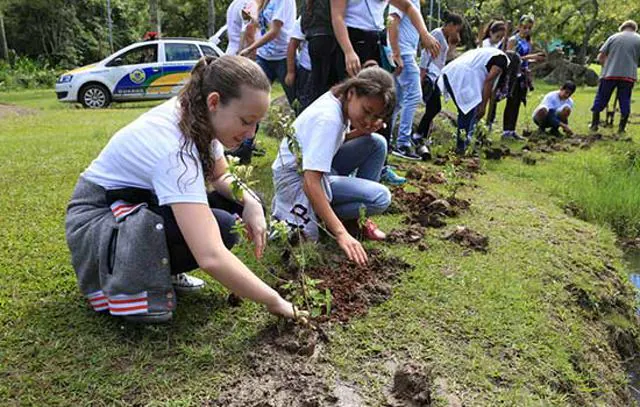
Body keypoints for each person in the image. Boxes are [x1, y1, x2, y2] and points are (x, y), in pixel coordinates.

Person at [66, 56, 302, 323]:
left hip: (136, 206)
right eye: (246, 121)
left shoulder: (197, 114)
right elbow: (210, 255)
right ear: (214, 102)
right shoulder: (175, 150)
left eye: (256, 123)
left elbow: (221, 174)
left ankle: (161, 268)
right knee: (224, 226)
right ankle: (143, 278)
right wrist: (275, 301)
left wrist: (253, 204)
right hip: (99, 224)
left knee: (239, 203)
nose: (251, 134)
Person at [271, 67, 395, 264]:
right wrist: (340, 233)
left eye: (376, 116)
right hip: (297, 178)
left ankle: (353, 219)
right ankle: (329, 221)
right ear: (352, 92)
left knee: (376, 143)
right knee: (381, 198)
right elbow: (310, 183)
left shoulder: (338, 100)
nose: (369, 119)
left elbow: (332, 143)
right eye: (367, 111)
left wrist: (362, 131)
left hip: (319, 168)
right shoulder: (328, 119)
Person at [330, 0, 441, 184]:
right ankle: (343, 166)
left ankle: (380, 167)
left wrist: (424, 33)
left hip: (376, 41)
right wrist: (348, 51)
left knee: (384, 104)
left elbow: (408, 7)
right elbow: (337, 16)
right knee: (352, 106)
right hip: (351, 39)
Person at [438, 47, 521, 154]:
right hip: (463, 75)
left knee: (469, 111)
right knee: (467, 112)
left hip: (454, 71)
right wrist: (483, 106)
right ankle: (461, 147)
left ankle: (466, 142)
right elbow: (489, 81)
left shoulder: (494, 53)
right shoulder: (502, 61)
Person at [413, 12, 464, 158]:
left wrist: (454, 43)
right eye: (457, 29)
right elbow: (425, 54)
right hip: (429, 74)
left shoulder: (445, 37)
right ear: (451, 25)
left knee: (433, 107)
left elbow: (444, 57)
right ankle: (418, 134)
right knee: (435, 106)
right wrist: (421, 76)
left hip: (436, 75)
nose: (457, 32)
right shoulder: (436, 33)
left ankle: (421, 135)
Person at [589, 20, 640, 134]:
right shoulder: (638, 39)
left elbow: (601, 57)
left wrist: (604, 66)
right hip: (628, 76)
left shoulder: (613, 37)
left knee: (601, 97)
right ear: (634, 28)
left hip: (610, 74)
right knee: (625, 99)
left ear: (622, 28)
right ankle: (622, 128)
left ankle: (594, 124)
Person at [387, 0, 423, 161]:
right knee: (414, 95)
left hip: (405, 52)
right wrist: (396, 53)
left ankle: (387, 139)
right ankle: (403, 143)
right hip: (403, 53)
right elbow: (392, 20)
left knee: (397, 100)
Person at [502, 14, 545, 140]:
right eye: (525, 27)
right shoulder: (512, 40)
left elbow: (525, 60)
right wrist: (531, 57)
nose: (527, 30)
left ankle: (512, 129)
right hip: (514, 74)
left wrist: (534, 61)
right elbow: (511, 58)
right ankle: (506, 131)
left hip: (523, 75)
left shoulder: (527, 42)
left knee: (518, 102)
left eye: (529, 28)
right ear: (519, 26)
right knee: (511, 102)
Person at [285, 17, 313, 115]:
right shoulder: (306, 16)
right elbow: (292, 45)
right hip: (307, 70)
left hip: (328, 71)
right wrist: (291, 72)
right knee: (303, 105)